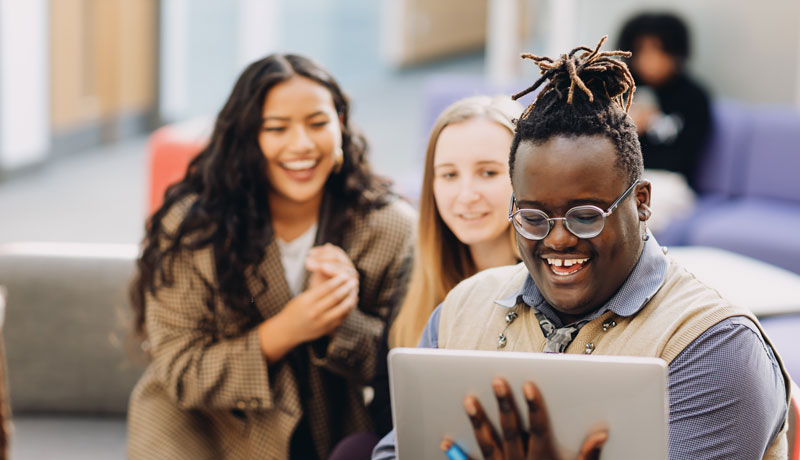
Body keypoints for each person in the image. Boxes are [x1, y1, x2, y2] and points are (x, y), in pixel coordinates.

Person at [373, 36, 792, 460]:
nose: (557, 240)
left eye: (586, 215)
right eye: (534, 218)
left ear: (641, 202)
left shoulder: (711, 345)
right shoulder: (460, 311)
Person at [127, 54, 416, 460]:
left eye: (317, 123)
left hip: (328, 430)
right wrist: (291, 328)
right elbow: (179, 370)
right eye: (276, 128)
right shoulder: (193, 227)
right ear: (245, 138)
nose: (301, 144)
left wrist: (339, 324)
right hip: (199, 428)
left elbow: (400, 367)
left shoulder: (389, 228)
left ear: (341, 126)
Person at [618, 12, 712, 233]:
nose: (649, 59)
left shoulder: (693, 96)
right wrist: (627, 127)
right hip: (621, 177)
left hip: (670, 182)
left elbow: (686, 157)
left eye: (658, 50)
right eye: (641, 50)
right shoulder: (620, 88)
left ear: (676, 52)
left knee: (631, 217)